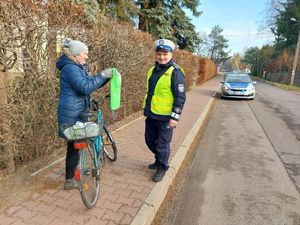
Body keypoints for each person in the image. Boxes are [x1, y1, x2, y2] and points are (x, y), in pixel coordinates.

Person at [56, 38, 112, 190]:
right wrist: (102, 75)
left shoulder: (77, 67)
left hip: (78, 111)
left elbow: (90, 82)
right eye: (85, 53)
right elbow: (85, 87)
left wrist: (105, 78)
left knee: (76, 144)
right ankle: (69, 180)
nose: (87, 56)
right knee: (74, 145)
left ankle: (74, 172)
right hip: (72, 115)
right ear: (76, 54)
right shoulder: (70, 69)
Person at [143, 39, 186, 182]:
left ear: (171, 54)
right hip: (151, 114)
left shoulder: (175, 72)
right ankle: (159, 160)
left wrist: (175, 117)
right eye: (159, 54)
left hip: (166, 117)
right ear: (156, 54)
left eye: (165, 54)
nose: (162, 57)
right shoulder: (152, 70)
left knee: (162, 144)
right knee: (149, 141)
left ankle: (162, 166)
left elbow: (180, 97)